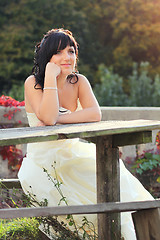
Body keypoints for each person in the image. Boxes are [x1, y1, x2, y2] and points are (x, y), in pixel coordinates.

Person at [18, 28, 154, 239]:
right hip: (43, 161)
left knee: (118, 180)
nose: (67, 57)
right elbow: (47, 115)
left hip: (73, 153)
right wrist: (51, 79)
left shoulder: (78, 81)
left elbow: (94, 113)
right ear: (48, 57)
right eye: (59, 52)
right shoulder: (33, 83)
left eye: (71, 51)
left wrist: (60, 119)